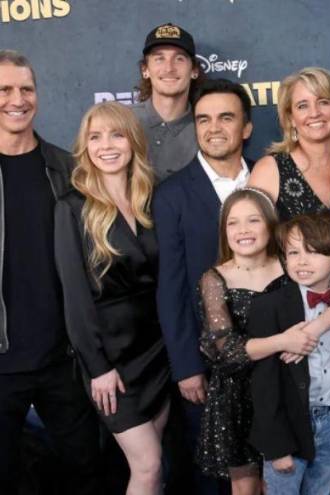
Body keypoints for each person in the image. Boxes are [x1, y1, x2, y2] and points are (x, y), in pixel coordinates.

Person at [54, 101, 171, 494]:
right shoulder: (72, 208)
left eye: (116, 134)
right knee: (149, 466)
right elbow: (74, 298)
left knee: (152, 467)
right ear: (85, 147)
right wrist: (97, 365)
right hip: (112, 361)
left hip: (158, 352)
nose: (106, 145)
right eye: (95, 136)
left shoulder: (151, 201)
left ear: (133, 141)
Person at [0, 49, 102, 494]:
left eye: (26, 88)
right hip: (1, 363)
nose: (17, 99)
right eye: (4, 89)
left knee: (84, 473)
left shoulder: (69, 169)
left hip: (64, 359)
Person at [152, 77, 255, 494]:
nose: (214, 128)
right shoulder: (172, 194)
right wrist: (186, 367)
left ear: (246, 127)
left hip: (271, 356)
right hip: (206, 364)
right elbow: (170, 289)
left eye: (226, 117)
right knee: (211, 475)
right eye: (204, 119)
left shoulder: (270, 181)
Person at [195, 188, 323, 494]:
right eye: (233, 223)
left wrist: (315, 330)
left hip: (288, 387)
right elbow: (225, 350)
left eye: (253, 220)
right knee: (248, 487)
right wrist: (283, 341)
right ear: (224, 231)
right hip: (238, 396)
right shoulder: (214, 278)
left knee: (292, 481)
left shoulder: (292, 264)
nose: (243, 231)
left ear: (269, 224)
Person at [247, 211, 330, 495]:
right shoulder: (269, 306)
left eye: (313, 252)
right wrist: (276, 447)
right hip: (290, 425)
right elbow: (264, 384)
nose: (302, 261)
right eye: (293, 252)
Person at [248, 67, 330, 220]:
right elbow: (252, 233)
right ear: (291, 118)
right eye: (302, 106)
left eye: (324, 102)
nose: (314, 113)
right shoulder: (271, 170)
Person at [132, 22, 202, 181]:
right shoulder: (122, 120)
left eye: (179, 59)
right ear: (145, 70)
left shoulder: (205, 128)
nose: (169, 68)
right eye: (159, 59)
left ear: (194, 71)